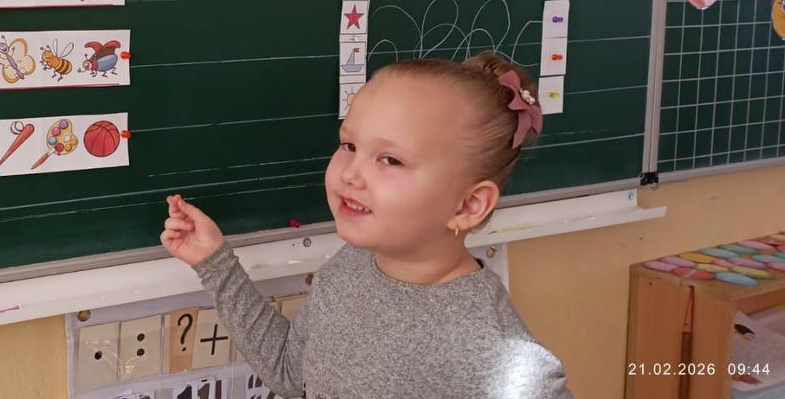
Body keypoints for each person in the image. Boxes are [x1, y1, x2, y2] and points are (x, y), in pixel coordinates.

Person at [160, 53, 573, 398]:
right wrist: (215, 262)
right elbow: (292, 373)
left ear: (468, 205)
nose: (350, 173)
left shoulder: (499, 355)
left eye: (390, 159)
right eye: (349, 145)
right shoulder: (352, 265)